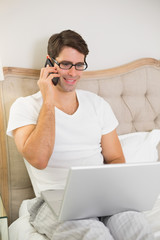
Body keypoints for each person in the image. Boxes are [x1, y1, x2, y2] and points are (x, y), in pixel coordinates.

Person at [7, 30, 153, 240]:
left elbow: (115, 158)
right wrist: (48, 99)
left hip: (101, 195)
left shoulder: (97, 105)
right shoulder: (26, 107)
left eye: (79, 65)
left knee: (138, 229)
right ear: (49, 63)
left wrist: (110, 191)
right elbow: (39, 159)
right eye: (66, 64)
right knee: (95, 235)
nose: (73, 73)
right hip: (52, 202)